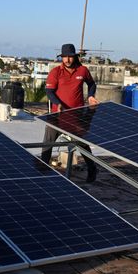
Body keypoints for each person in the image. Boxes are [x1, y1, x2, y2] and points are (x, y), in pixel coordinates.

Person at [41, 43, 99, 181]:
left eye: (69, 57)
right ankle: (42, 172)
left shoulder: (83, 70)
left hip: (76, 115)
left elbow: (92, 84)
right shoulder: (56, 72)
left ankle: (92, 169)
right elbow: (49, 91)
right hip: (57, 115)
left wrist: (91, 96)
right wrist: (57, 103)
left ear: (75, 57)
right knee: (47, 143)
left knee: (82, 144)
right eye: (64, 57)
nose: (67, 60)